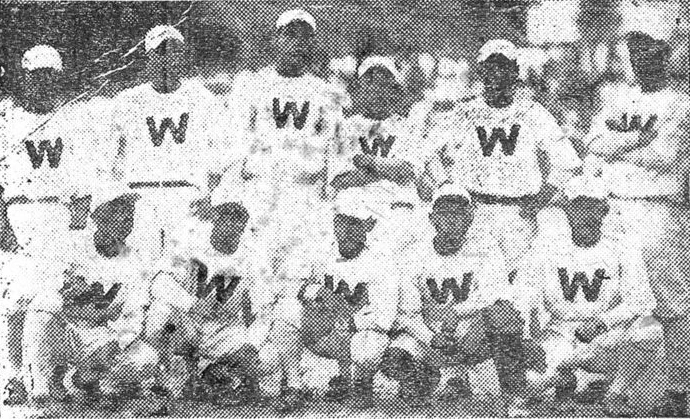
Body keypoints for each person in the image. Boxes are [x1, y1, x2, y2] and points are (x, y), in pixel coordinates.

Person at [583, 31, 690, 416]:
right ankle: (609, 381)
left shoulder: (681, 103)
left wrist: (618, 147)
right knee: (611, 296)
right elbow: (592, 144)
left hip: (656, 207)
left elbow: (665, 156)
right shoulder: (619, 99)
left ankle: (679, 388)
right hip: (615, 205)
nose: (643, 61)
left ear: (664, 56)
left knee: (669, 301)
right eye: (636, 54)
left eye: (651, 53)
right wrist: (635, 142)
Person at [423, 39, 582, 283]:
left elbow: (567, 161)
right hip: (474, 212)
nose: (496, 74)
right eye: (489, 67)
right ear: (480, 72)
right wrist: (444, 184)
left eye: (503, 67)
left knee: (516, 282)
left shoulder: (532, 113)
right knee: (476, 282)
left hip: (518, 213)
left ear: (515, 72)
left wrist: (543, 197)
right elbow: (427, 151)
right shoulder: (465, 112)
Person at [389, 183, 540, 414]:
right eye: (444, 213)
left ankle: (514, 396)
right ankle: (433, 376)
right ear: (432, 218)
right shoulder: (414, 255)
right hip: (431, 335)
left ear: (469, 218)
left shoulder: (485, 247)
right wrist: (431, 338)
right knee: (394, 358)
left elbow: (496, 296)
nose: (451, 220)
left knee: (503, 315)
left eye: (458, 213)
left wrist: (458, 315)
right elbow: (407, 314)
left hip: (470, 333)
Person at [514, 176, 660, 413]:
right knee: (527, 385)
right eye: (579, 207)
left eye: (593, 207)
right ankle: (566, 378)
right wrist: (527, 337)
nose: (586, 215)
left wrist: (602, 322)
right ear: (567, 210)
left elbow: (642, 299)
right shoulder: (547, 245)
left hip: (606, 336)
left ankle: (616, 393)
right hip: (560, 332)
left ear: (604, 210)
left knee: (649, 329)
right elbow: (523, 291)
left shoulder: (622, 245)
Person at [227, 8, 345, 270]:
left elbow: (333, 150)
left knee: (300, 272)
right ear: (276, 39)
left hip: (304, 192)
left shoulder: (324, 92)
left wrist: (329, 196)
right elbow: (236, 143)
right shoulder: (253, 85)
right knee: (256, 271)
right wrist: (235, 192)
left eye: (304, 37)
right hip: (260, 191)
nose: (297, 43)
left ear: (312, 43)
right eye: (290, 35)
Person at [108, 25, 230, 261]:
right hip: (141, 196)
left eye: (174, 52)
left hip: (187, 196)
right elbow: (110, 157)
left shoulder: (202, 99)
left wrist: (211, 197)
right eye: (160, 52)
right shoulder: (128, 102)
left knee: (185, 271)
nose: (167, 59)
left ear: (183, 57)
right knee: (141, 270)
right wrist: (119, 197)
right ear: (148, 57)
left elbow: (223, 154)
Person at [298, 188, 400, 408]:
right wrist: (318, 292)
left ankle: (361, 383)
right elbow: (297, 288)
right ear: (335, 224)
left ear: (368, 225)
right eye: (343, 222)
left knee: (369, 345)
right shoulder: (321, 251)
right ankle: (294, 385)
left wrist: (350, 321)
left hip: (361, 333)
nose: (348, 230)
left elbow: (385, 317)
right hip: (325, 331)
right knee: (288, 314)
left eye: (355, 223)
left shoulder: (381, 260)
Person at [0, 45, 96, 257]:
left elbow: (83, 183)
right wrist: (5, 233)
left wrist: (76, 235)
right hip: (19, 215)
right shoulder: (8, 121)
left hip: (61, 216)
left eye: (49, 75)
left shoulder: (72, 121)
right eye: (36, 75)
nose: (43, 82)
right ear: (25, 78)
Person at [330, 55, 428, 250]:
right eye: (371, 82)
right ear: (360, 87)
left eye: (384, 83)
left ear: (393, 89)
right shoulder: (346, 128)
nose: (377, 90)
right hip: (355, 214)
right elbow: (337, 180)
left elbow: (408, 173)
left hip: (395, 212)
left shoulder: (406, 126)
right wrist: (389, 170)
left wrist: (369, 163)